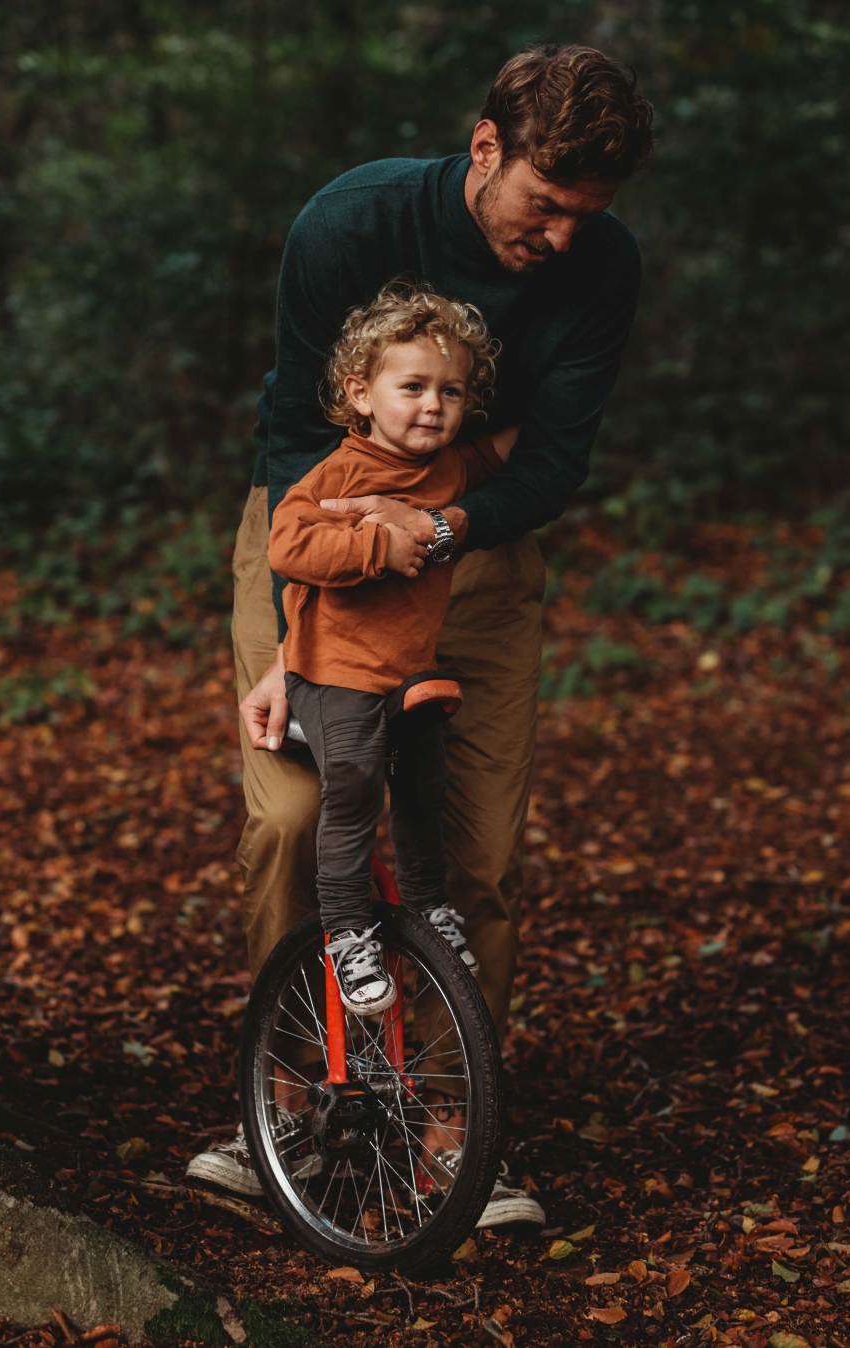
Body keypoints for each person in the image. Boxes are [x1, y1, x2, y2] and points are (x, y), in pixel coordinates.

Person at [187, 42, 653, 1226]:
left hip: (474, 558)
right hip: (314, 539)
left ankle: (456, 1128)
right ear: (485, 149)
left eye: (584, 216)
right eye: (544, 205)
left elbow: (550, 459)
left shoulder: (602, 267)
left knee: (470, 855)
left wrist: (440, 531)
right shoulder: (350, 223)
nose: (559, 237)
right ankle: (282, 1104)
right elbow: (296, 444)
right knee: (296, 816)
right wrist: (303, 638)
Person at [270, 284, 516, 1012]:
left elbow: (511, 447)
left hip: (408, 675)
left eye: (453, 391)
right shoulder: (340, 472)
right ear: (361, 393)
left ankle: (428, 910)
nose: (434, 406)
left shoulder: (448, 467)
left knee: (421, 792)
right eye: (412, 387)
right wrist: (381, 542)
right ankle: (348, 934)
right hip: (335, 672)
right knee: (351, 792)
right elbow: (289, 545)